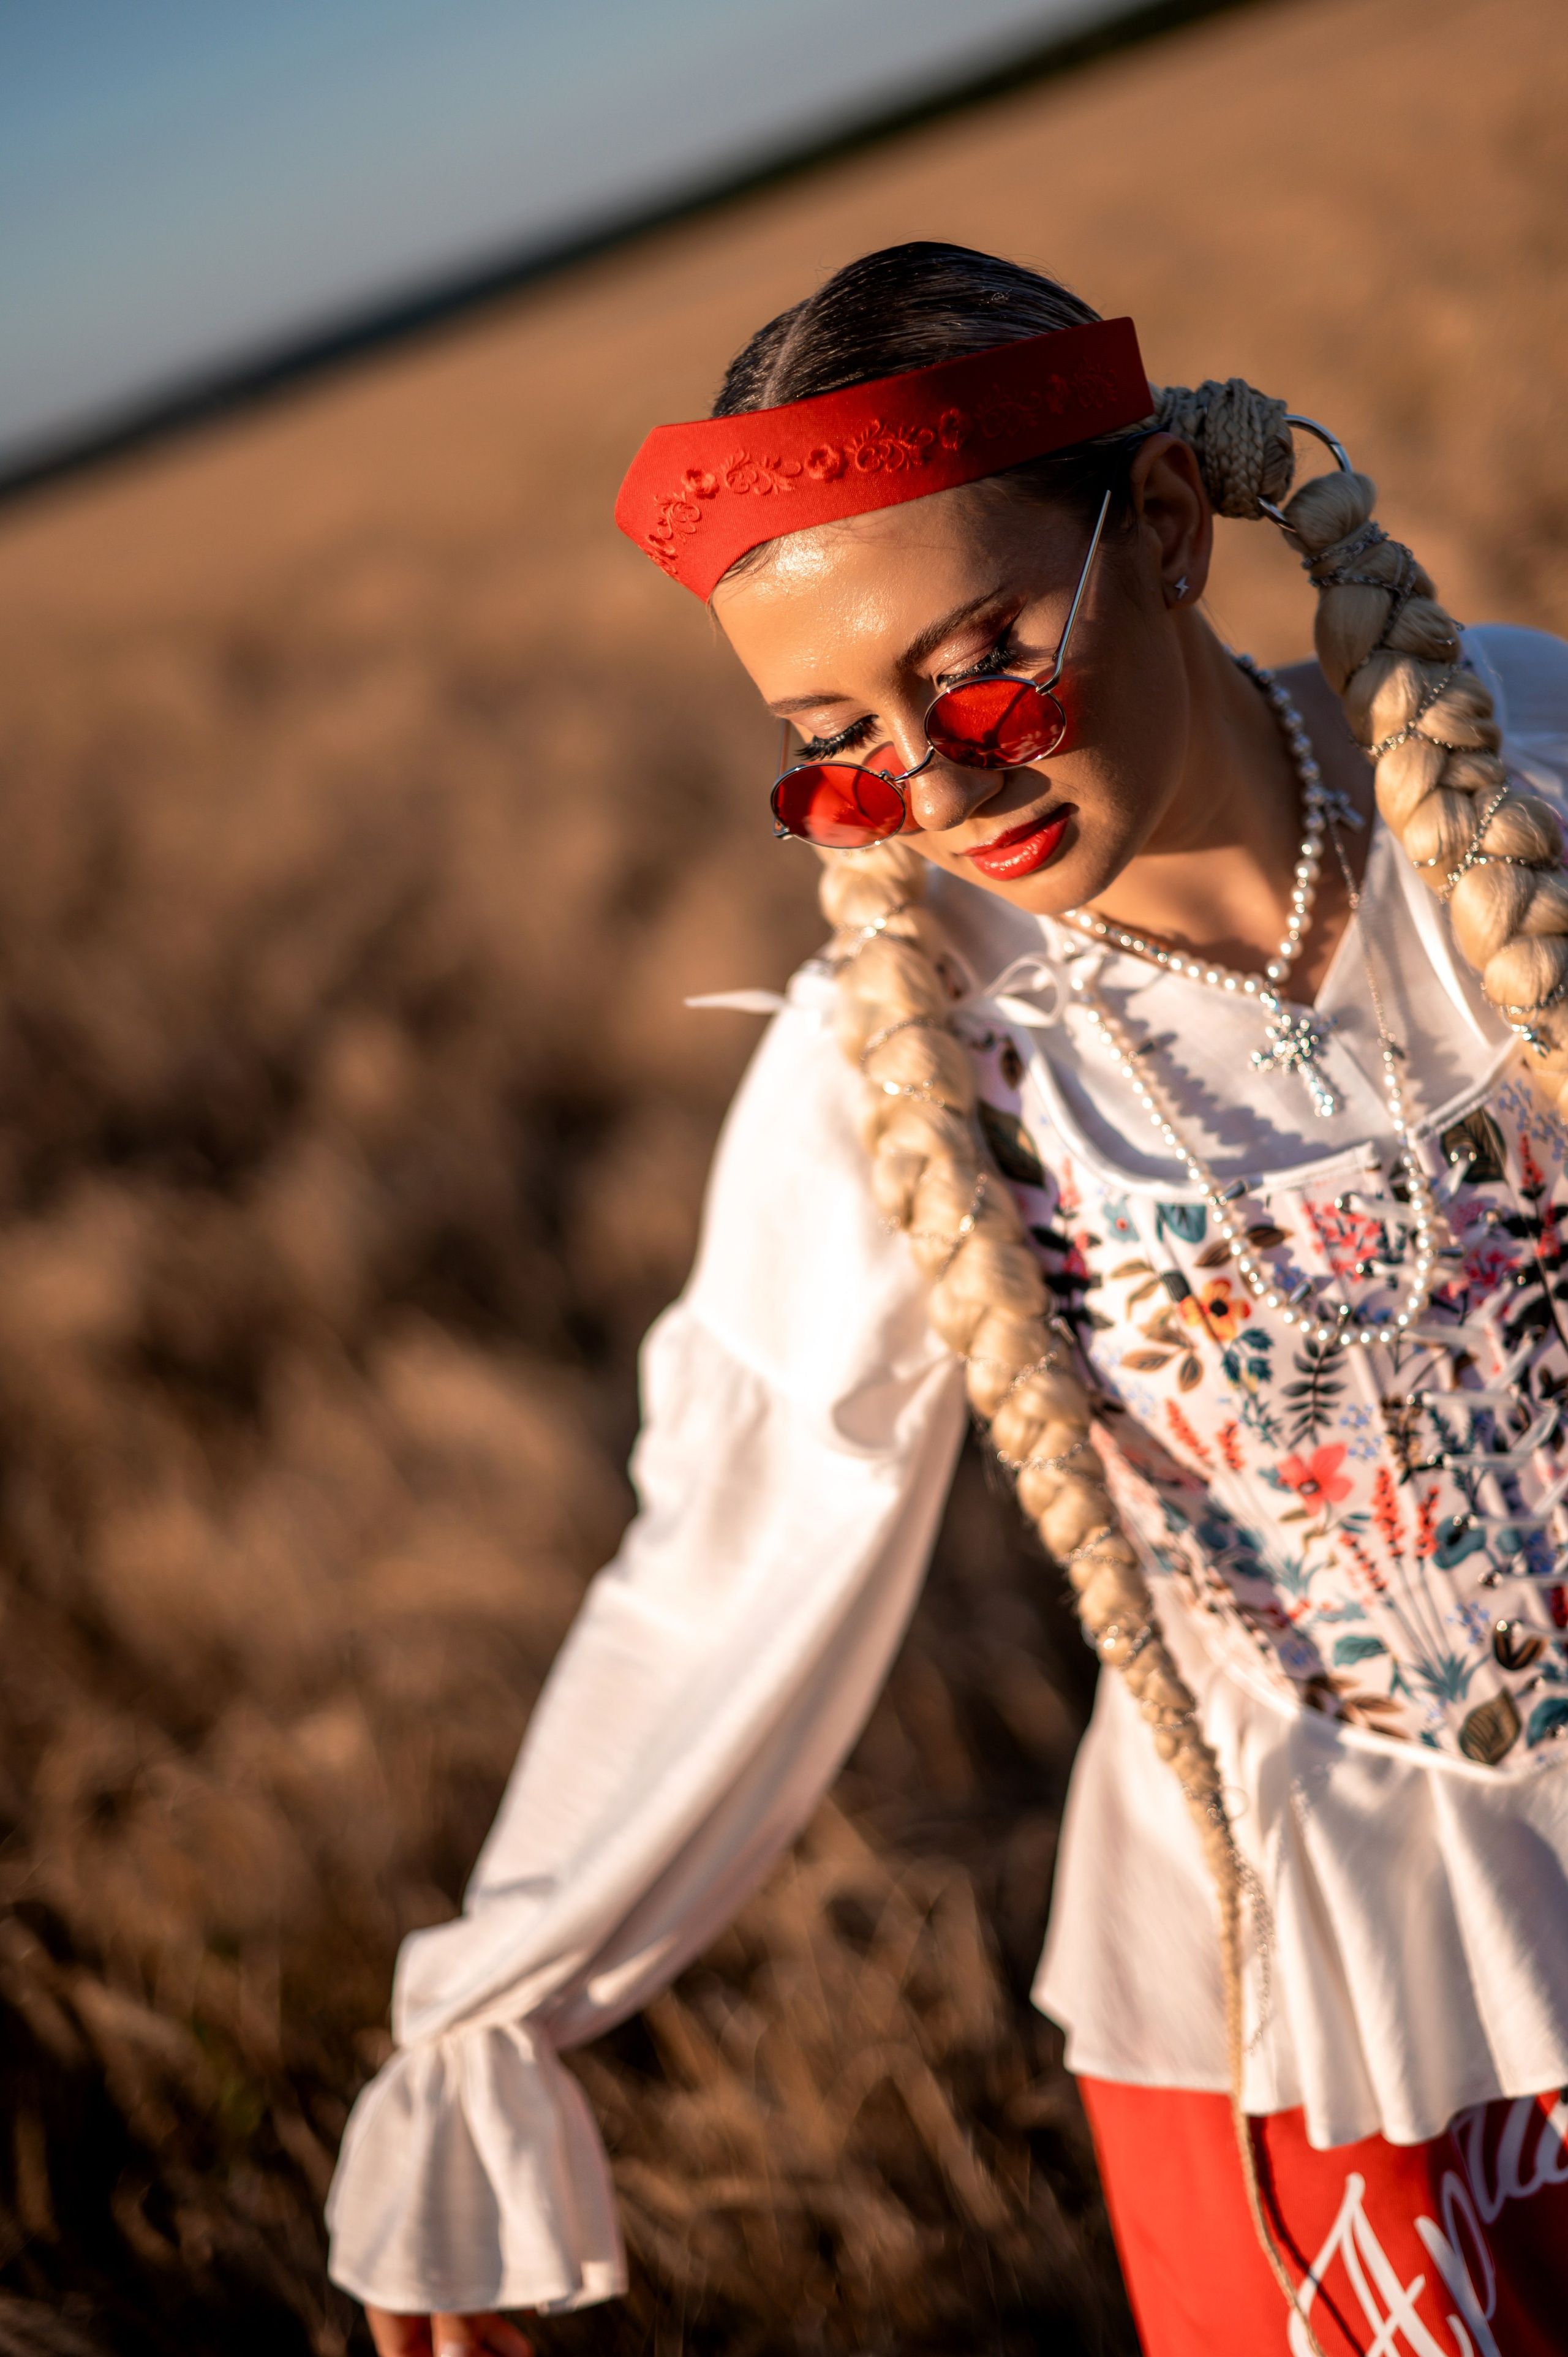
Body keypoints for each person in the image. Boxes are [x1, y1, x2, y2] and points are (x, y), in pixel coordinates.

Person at [326, 244, 1568, 2356]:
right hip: (1352, 2003)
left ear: (1166, 529)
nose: (940, 790)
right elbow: (722, 1557)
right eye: (835, 745)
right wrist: (490, 2026)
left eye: (985, 664)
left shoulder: (1523, 757)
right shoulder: (903, 1071)